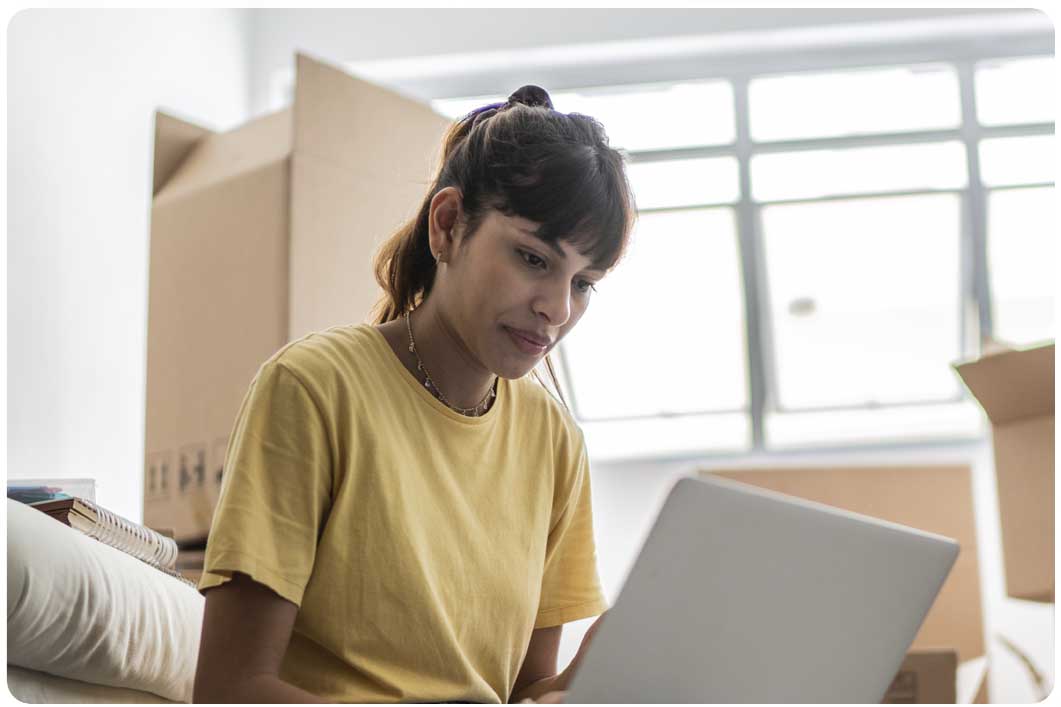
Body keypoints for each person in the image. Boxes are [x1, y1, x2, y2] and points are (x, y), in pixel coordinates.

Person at [192, 84, 636, 704]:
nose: (557, 309)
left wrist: (600, 670)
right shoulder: (314, 388)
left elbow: (525, 692)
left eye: (583, 283)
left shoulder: (554, 441)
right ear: (449, 225)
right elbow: (229, 690)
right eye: (534, 259)